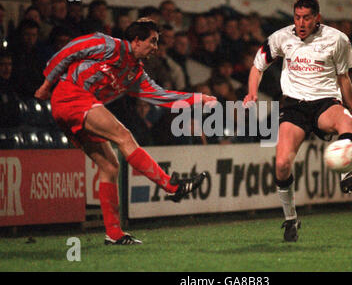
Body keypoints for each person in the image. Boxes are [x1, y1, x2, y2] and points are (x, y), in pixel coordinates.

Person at [35, 18, 217, 245]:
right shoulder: (107, 44)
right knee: (124, 136)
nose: (155, 47)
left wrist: (197, 98)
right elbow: (70, 50)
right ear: (137, 41)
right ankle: (170, 186)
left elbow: (161, 96)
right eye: (152, 41)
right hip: (70, 95)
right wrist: (46, 83)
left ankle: (114, 233)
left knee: (110, 166)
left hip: (80, 106)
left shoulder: (135, 73)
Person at [243, 0, 352, 242]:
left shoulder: (337, 39)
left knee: (346, 121)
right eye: (297, 17)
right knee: (282, 164)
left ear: (318, 18)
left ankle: (347, 175)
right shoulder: (281, 38)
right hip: (294, 107)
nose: (301, 23)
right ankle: (291, 218)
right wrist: (252, 91)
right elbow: (257, 66)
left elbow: (344, 79)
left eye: (306, 18)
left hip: (325, 103)